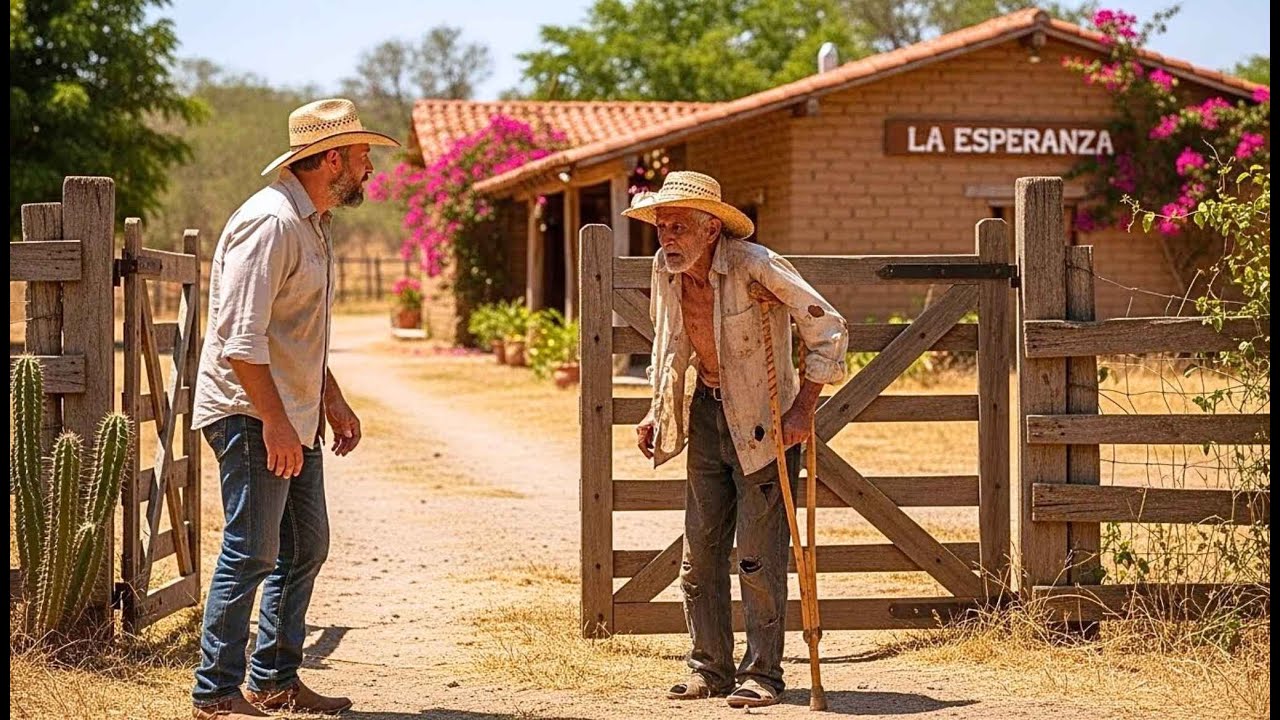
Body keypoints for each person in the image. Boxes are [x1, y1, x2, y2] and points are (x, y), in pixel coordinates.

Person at [188, 98, 399, 719]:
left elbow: (295, 333)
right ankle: (216, 693)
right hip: (252, 413)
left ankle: (274, 680)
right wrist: (276, 423)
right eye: (363, 157)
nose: (369, 169)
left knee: (305, 544)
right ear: (331, 158)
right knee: (251, 549)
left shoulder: (311, 223)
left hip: (291, 413)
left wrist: (331, 400)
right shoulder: (273, 222)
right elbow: (240, 341)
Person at [625, 171, 849, 708]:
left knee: (757, 552)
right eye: (661, 226)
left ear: (710, 230)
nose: (667, 238)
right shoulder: (666, 269)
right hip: (704, 413)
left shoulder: (754, 263)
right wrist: (659, 409)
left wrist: (802, 409)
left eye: (678, 226)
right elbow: (668, 341)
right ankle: (709, 668)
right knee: (699, 551)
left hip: (762, 421)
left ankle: (764, 675)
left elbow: (829, 327)